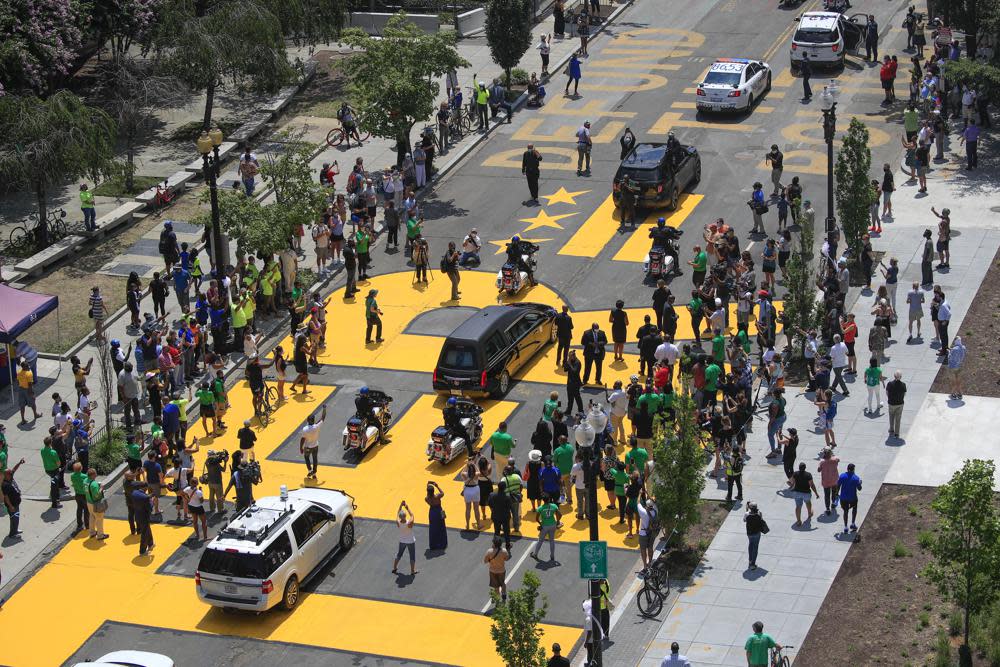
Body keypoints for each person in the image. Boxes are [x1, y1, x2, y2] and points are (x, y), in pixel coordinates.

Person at [530, 495, 562, 561]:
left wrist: (540, 524)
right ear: (549, 499)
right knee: (552, 540)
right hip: (553, 525)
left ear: (543, 500)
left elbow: (537, 519)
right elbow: (560, 515)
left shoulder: (540, 508)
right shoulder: (554, 506)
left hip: (544, 526)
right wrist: (558, 521)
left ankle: (535, 554)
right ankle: (552, 556)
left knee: (540, 540)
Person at [299, 405, 327, 479]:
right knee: (315, 459)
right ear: (314, 420)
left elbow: (302, 439)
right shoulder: (317, 426)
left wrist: (301, 448)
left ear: (307, 420)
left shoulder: (305, 429)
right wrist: (324, 408)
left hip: (307, 447)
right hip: (315, 446)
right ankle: (314, 473)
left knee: (306, 458)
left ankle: (310, 470)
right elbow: (323, 417)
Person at [788, 462, 819, 527]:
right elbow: (812, 485)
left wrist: (791, 486)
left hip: (797, 493)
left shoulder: (795, 474)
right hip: (806, 493)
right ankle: (809, 513)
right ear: (805, 468)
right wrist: (816, 493)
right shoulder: (808, 475)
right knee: (808, 502)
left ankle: (799, 521)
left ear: (799, 468)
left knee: (798, 506)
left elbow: (791, 482)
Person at [392, 501, 417, 575]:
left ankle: (394, 568)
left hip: (402, 541)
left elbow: (397, 513)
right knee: (412, 556)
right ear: (405, 516)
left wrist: (400, 505)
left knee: (399, 554)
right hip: (410, 541)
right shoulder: (409, 523)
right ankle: (412, 571)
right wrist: (407, 507)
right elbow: (412, 515)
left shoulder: (398, 522)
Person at [483, 536, 511, 604]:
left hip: (493, 571)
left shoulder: (489, 551)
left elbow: (485, 561)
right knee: (502, 583)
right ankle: (504, 596)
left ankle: (497, 598)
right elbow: (507, 559)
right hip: (501, 570)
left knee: (496, 586)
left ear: (494, 543)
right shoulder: (504, 551)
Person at [2, 459, 25, 538]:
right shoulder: (5, 485)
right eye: (10, 473)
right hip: (12, 505)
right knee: (13, 519)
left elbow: (14, 469)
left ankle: (15, 530)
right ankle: (12, 534)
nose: (11, 473)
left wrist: (19, 463)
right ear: (6, 475)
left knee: (16, 517)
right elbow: (6, 497)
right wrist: (10, 506)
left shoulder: (10, 477)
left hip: (16, 503)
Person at [837, 463, 862, 533]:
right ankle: (853, 523)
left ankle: (845, 527)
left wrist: (836, 494)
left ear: (847, 469)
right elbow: (859, 488)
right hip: (852, 498)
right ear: (853, 469)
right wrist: (860, 483)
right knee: (854, 509)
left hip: (843, 498)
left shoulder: (842, 476)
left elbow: (838, 486)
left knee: (845, 511)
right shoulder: (856, 478)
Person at [489, 480, 513, 548]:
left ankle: (496, 545)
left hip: (495, 516)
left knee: (497, 531)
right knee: (506, 531)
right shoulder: (507, 497)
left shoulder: (492, 495)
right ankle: (507, 544)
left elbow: (490, 505)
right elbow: (510, 507)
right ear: (505, 488)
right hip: (505, 516)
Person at [744, 502, 767, 570]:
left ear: (750, 508)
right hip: (757, 533)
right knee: (755, 547)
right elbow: (761, 519)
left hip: (749, 533)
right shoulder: (759, 513)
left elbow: (744, 520)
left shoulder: (747, 514)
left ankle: (750, 560)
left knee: (750, 545)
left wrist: (746, 510)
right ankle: (753, 564)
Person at [425, 481, 447, 550]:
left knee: (433, 527)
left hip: (432, 513)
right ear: (433, 491)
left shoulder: (426, 499)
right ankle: (442, 543)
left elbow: (428, 492)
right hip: (439, 511)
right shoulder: (437, 496)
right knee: (441, 526)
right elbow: (442, 493)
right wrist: (437, 486)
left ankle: (433, 544)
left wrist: (428, 485)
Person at [947, 336, 966, 400]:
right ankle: (960, 394)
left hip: (952, 367)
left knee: (953, 382)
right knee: (958, 382)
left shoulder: (954, 349)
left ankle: (953, 394)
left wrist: (949, 352)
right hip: (960, 367)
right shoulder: (963, 347)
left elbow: (950, 358)